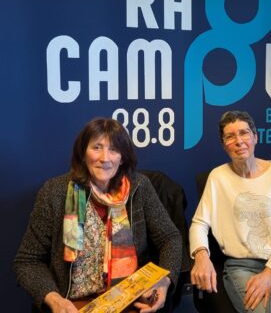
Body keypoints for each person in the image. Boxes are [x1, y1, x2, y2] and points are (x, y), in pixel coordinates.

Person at [14, 117, 182, 313]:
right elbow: (27, 261)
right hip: (73, 304)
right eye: (97, 148)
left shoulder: (139, 187)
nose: (105, 158)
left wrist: (164, 280)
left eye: (114, 150)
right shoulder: (55, 192)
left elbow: (170, 238)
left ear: (122, 158)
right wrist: (54, 299)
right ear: (83, 154)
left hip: (131, 300)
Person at [189, 111, 271, 313]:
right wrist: (201, 256)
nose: (238, 141)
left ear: (255, 137)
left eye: (244, 133)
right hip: (241, 266)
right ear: (223, 145)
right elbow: (199, 223)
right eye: (230, 136)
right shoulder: (218, 177)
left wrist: (270, 272)